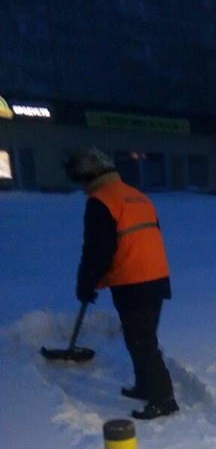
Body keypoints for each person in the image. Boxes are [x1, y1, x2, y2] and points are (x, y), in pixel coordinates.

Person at [64, 147, 179, 420]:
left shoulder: (102, 201)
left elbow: (96, 249)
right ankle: (144, 385)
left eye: (80, 180)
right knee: (140, 337)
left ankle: (164, 399)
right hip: (156, 277)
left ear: (88, 175)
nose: (82, 187)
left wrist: (86, 283)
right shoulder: (137, 196)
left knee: (142, 342)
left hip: (133, 280)